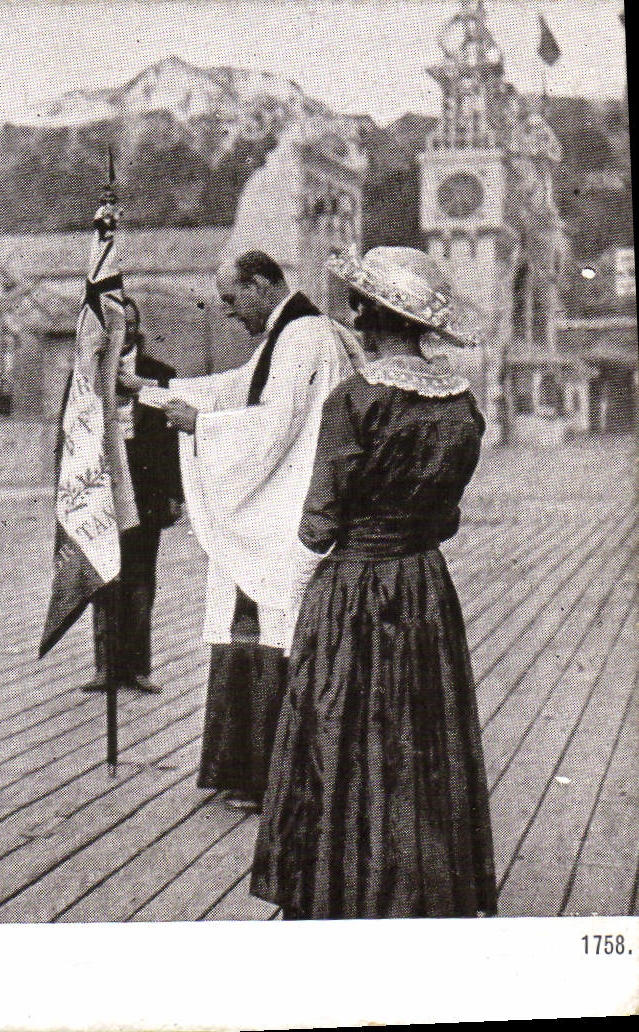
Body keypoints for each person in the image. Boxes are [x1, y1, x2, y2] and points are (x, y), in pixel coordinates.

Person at [253, 246, 496, 919]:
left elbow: (318, 523)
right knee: (420, 731)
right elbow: (444, 518)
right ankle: (420, 891)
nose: (350, 312)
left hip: (354, 590)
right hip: (422, 584)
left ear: (370, 315)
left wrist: (285, 581)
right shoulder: (460, 405)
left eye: (356, 302)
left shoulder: (353, 399)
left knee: (341, 725)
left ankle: (342, 891)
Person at [138, 250, 356, 812]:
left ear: (263, 286)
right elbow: (240, 387)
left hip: (282, 508)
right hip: (275, 500)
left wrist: (202, 426)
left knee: (265, 630)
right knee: (250, 628)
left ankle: (269, 776)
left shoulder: (304, 336)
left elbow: (275, 423)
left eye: (234, 300)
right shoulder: (289, 333)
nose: (232, 314)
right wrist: (149, 390)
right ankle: (250, 770)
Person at [83, 301, 182, 696]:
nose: (121, 333)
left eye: (129, 325)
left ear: (137, 328)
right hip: (103, 490)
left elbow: (173, 440)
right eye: (113, 327)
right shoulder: (87, 377)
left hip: (145, 492)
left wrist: (174, 493)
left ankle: (138, 666)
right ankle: (106, 666)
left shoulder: (159, 375)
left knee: (140, 578)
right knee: (104, 577)